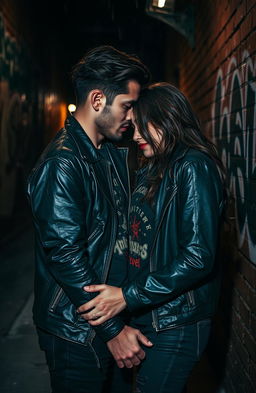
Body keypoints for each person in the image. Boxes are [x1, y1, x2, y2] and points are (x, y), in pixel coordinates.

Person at [77, 82, 226, 393]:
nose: (135, 135)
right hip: (150, 312)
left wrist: (127, 295)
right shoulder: (155, 168)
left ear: (168, 119)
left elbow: (198, 255)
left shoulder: (193, 166)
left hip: (176, 320)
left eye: (143, 126)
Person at [26, 45, 153, 393]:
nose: (131, 117)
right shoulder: (63, 163)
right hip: (77, 330)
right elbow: (65, 254)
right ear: (98, 100)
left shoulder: (109, 155)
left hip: (107, 316)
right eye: (127, 106)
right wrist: (112, 331)